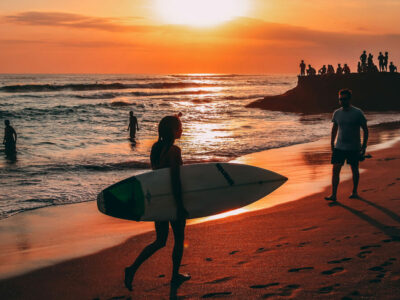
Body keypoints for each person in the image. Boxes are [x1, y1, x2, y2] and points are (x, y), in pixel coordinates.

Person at [124, 115, 190, 297]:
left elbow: (156, 176)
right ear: (173, 131)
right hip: (171, 201)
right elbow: (175, 181)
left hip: (159, 200)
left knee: (160, 241)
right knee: (178, 239)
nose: (182, 130)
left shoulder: (155, 148)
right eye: (180, 127)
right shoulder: (174, 151)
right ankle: (175, 275)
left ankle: (132, 269)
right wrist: (180, 206)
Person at [325, 89, 368, 202]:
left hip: (354, 147)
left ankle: (354, 192)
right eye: (340, 99)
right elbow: (334, 129)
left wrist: (364, 146)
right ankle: (334, 195)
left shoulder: (358, 112)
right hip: (339, 147)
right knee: (335, 170)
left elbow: (365, 130)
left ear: (349, 99)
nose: (342, 101)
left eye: (344, 99)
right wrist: (331, 143)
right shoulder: (337, 113)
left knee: (354, 169)